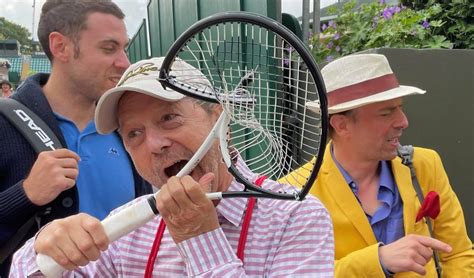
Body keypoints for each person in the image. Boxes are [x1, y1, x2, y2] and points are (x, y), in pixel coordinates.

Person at [10, 57, 334, 277]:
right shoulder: (128, 227)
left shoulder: (297, 217)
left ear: (219, 118)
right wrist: (45, 247)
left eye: (169, 118)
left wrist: (199, 237)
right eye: (134, 133)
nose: (155, 144)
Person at [283, 53, 474, 277]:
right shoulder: (295, 192)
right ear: (342, 125)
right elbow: (297, 274)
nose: (403, 122)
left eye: (400, 107)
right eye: (386, 113)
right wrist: (378, 260)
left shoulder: (425, 165)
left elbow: (458, 253)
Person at [0, 0, 152, 276]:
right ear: (61, 47)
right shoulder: (4, 125)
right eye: (109, 48)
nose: (125, 63)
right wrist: (26, 194)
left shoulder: (131, 129)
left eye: (124, 48)